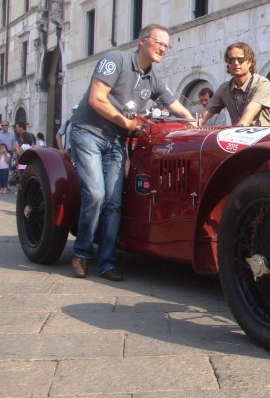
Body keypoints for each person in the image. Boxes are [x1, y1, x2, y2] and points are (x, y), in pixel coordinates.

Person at [71, 23, 194, 282]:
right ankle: (81, 252)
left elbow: (175, 106)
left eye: (166, 46)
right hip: (89, 132)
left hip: (115, 142)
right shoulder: (116, 59)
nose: (163, 48)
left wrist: (194, 123)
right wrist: (126, 123)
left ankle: (106, 262)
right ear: (142, 40)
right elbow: (96, 98)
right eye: (159, 42)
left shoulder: (153, 79)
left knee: (114, 203)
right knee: (95, 194)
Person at [200, 42, 270, 127]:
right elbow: (204, 116)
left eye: (240, 60)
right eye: (231, 60)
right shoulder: (224, 89)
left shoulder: (262, 83)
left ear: (250, 62)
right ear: (228, 64)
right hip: (239, 137)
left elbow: (249, 114)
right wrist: (193, 126)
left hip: (265, 137)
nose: (236, 63)